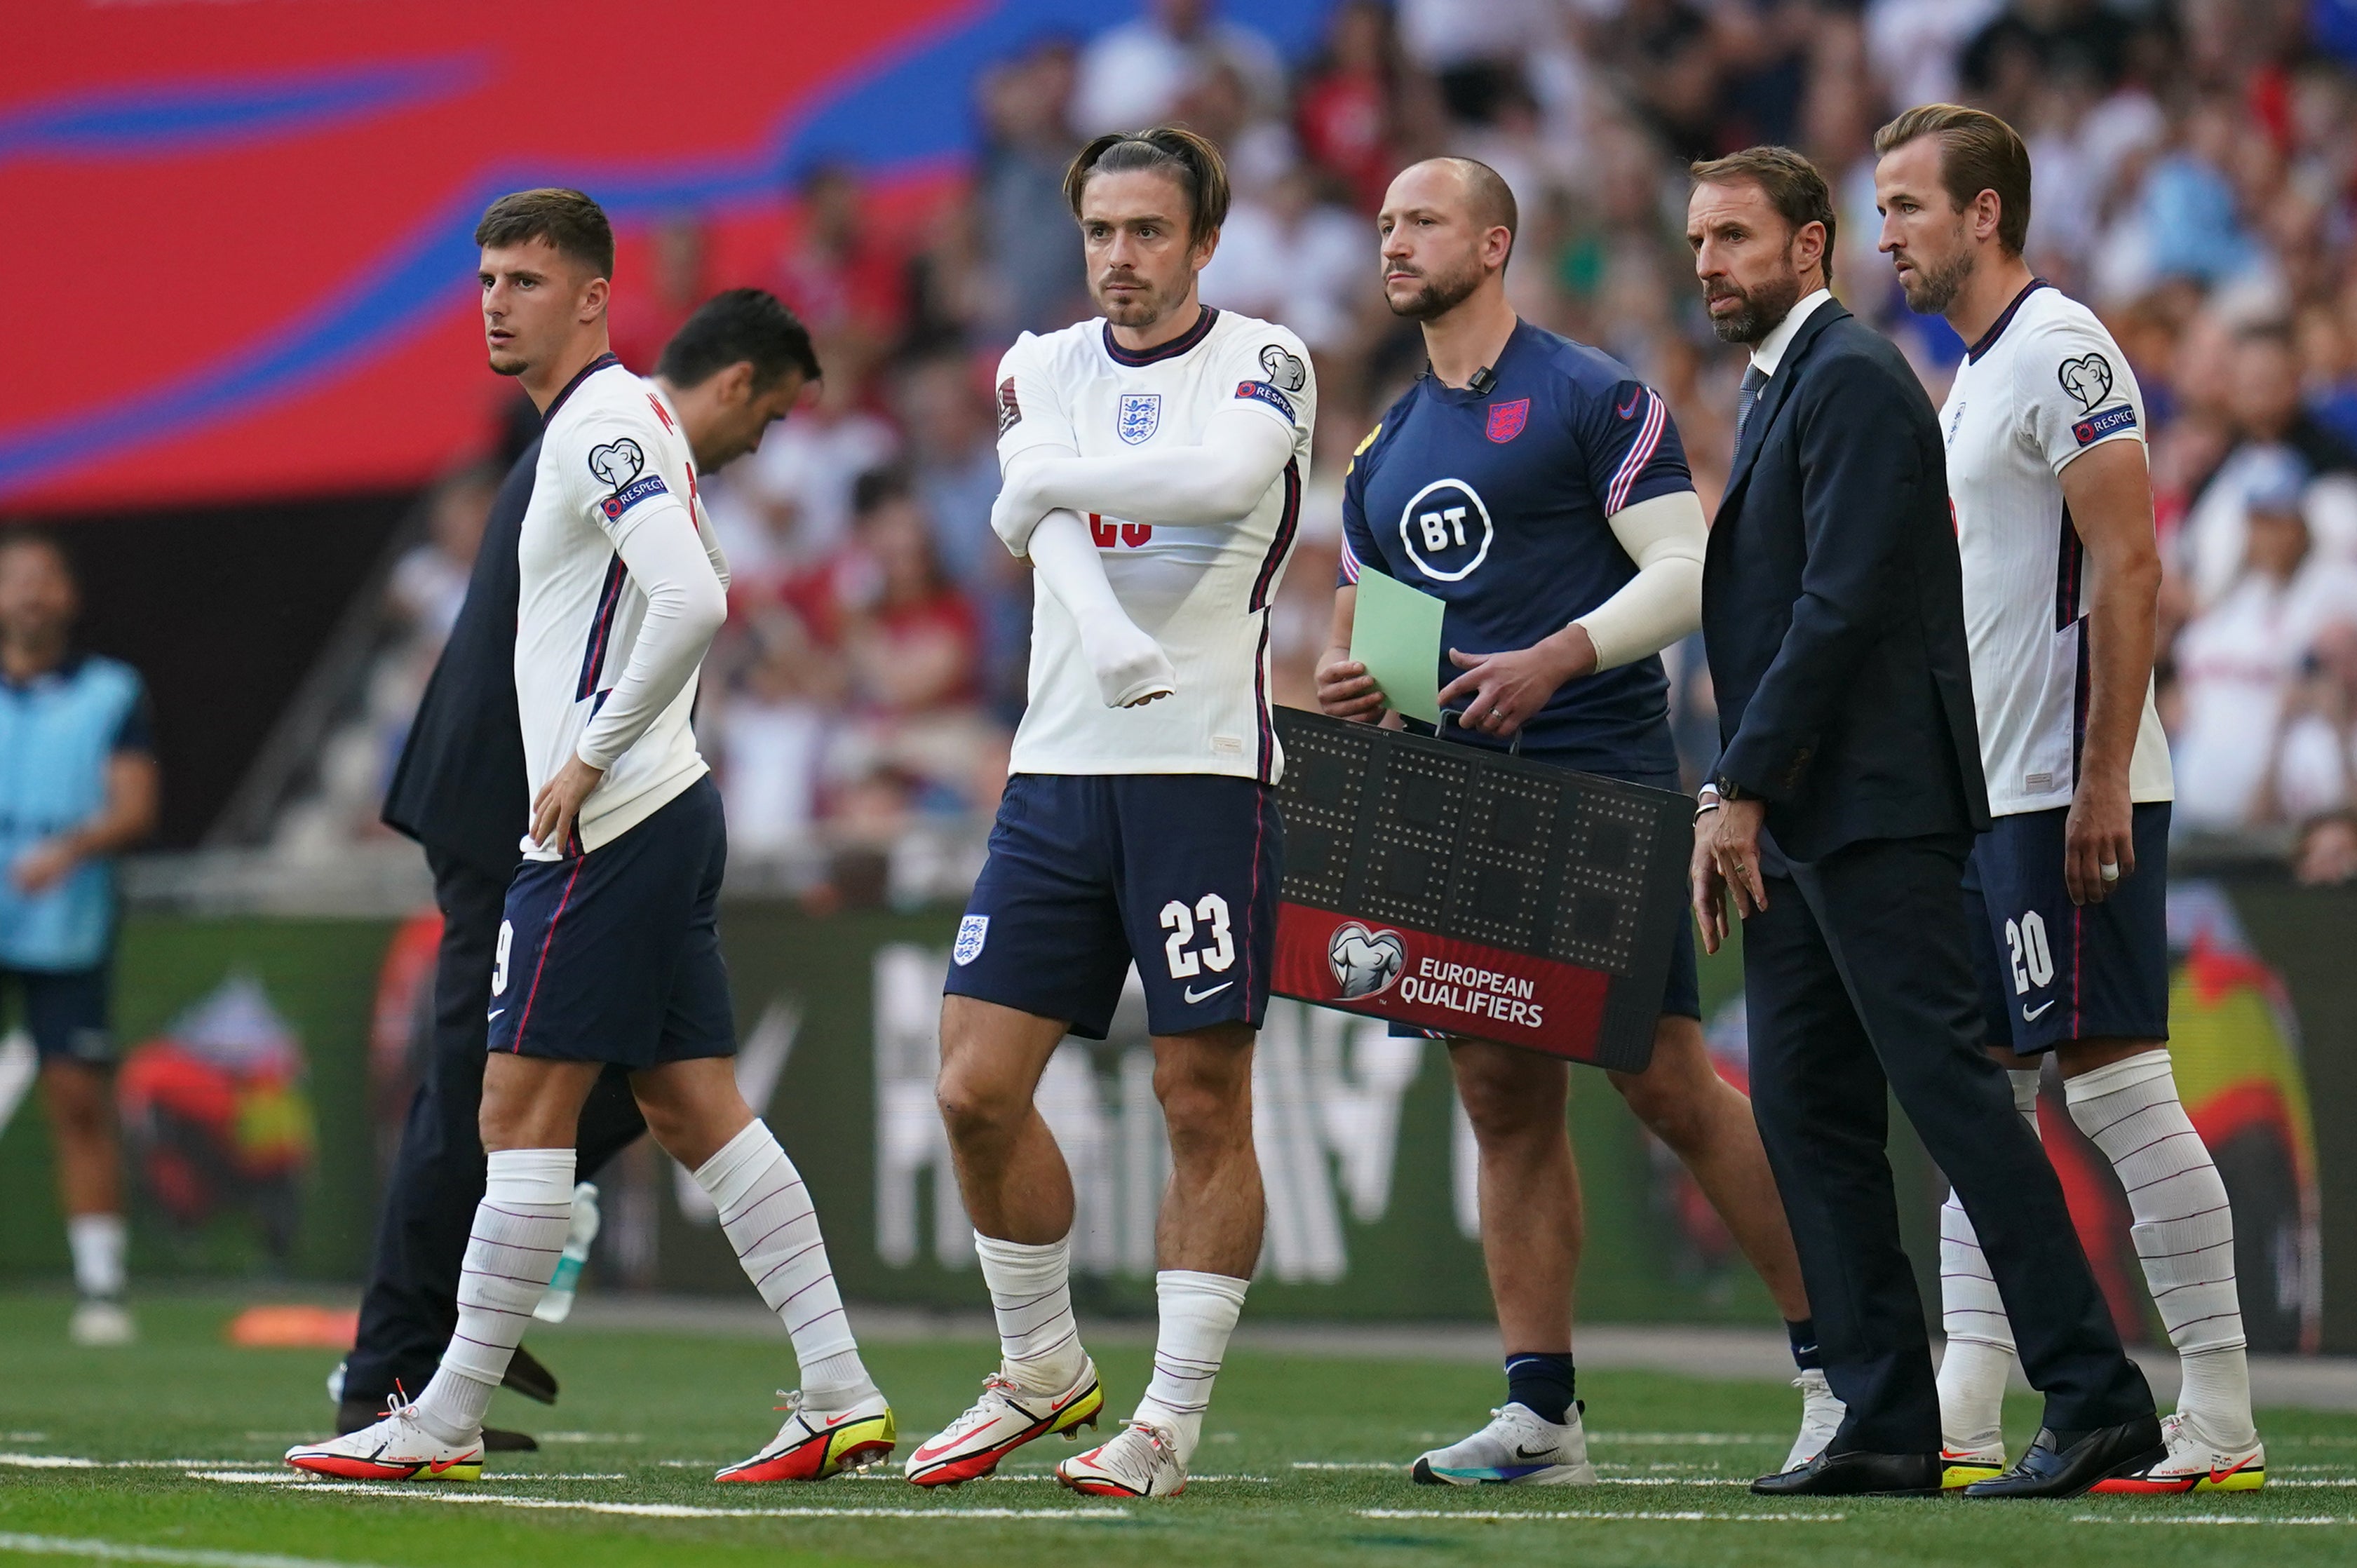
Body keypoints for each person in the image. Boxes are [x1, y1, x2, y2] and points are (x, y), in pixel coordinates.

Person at [288, 190, 886, 1485]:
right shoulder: (614, 424)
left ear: (596, 296)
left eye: (525, 280)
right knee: (693, 1104)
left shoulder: (604, 419)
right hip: (660, 808)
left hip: (613, 822)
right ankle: (838, 1385)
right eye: (487, 279)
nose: (497, 301)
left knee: (514, 1107)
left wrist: (585, 757)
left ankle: (436, 1411)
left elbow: (692, 594)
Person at [1309, 156, 1830, 1487]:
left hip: (1597, 782)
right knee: (1496, 1093)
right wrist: (1358, 676)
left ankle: (1843, 1368)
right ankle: (1541, 1416)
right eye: (1381, 224)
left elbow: (1684, 570)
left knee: (1661, 1079)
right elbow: (1374, 633)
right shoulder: (1382, 445)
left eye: (1419, 220)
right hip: (1451, 801)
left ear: (1492, 243)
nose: (1392, 241)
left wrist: (1553, 656)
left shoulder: (1592, 396)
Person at [1685, 144, 2162, 1499]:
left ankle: (2096, 1392)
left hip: (1873, 812)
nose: (1710, 262)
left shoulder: (1849, 378)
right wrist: (1740, 794)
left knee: (1956, 1105)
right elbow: (1792, 618)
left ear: (1807, 244)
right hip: (1800, 819)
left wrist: (1747, 785)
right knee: (1812, 1118)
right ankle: (1886, 1415)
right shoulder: (1792, 382)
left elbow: (1835, 611)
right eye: (1699, 241)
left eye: (1734, 237)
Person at [910, 127, 1313, 1501]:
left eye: (1148, 232)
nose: (1119, 258)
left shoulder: (1267, 359)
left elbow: (1211, 485)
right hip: (1055, 770)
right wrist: (1052, 509)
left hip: (1203, 771)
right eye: (1099, 232)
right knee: (971, 1086)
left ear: (1205, 242)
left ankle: (1169, 1418)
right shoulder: (1039, 361)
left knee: (1199, 1090)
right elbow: (1057, 541)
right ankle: (1041, 1366)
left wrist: (1047, 483)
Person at [1875, 102, 2268, 1494]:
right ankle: (1963, 1401)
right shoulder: (1969, 373)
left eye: (1908, 205)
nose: (1889, 232)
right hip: (2001, 795)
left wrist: (2101, 776)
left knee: (2118, 1091)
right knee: (1988, 1093)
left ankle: (2218, 1408)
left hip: (2069, 789)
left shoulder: (2061, 345)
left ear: (1985, 212)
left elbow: (2130, 565)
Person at [0, 532, 158, 1347]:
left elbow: (135, 804)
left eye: (44, 579)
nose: (30, 594)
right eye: (15, 580)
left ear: (67, 596)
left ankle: (101, 1282)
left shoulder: (109, 693)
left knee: (77, 1100)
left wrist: (66, 851)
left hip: (69, 923)